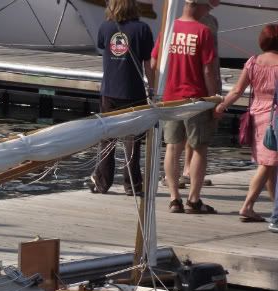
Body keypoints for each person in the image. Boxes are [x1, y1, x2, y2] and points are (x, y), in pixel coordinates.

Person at [152, 0, 218, 214]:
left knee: (172, 148)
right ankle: (193, 199)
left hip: (170, 98)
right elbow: (208, 70)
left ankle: (174, 198)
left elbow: (154, 63)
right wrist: (214, 99)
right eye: (206, 7)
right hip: (195, 99)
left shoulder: (168, 30)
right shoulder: (203, 31)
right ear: (197, 6)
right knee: (199, 148)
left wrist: (158, 89)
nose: (207, 11)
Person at [90, 0, 154, 196]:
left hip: (109, 90)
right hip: (133, 91)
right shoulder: (143, 29)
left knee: (107, 139)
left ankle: (102, 182)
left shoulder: (105, 27)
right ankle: (132, 185)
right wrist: (152, 89)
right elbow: (148, 64)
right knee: (133, 141)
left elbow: (102, 47)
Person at [214, 24, 278, 222]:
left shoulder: (253, 61)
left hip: (256, 115)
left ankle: (274, 203)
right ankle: (247, 205)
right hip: (274, 118)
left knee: (269, 164)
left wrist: (221, 106)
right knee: (268, 164)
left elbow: (237, 91)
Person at [180, 0, 221, 188]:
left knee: (195, 135)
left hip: (206, 79)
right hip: (196, 84)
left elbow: (213, 59)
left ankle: (189, 170)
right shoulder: (199, 24)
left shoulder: (212, 21)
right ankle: (187, 172)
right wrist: (213, 95)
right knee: (192, 135)